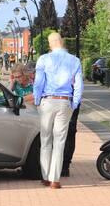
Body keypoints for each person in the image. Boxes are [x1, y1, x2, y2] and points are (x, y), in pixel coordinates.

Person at [33, 32, 83, 189]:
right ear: (62, 42)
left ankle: (45, 176)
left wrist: (37, 100)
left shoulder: (44, 59)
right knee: (60, 140)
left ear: (50, 44)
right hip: (64, 102)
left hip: (47, 101)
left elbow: (39, 83)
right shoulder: (74, 60)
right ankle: (55, 179)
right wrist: (74, 103)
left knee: (45, 139)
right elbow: (79, 85)